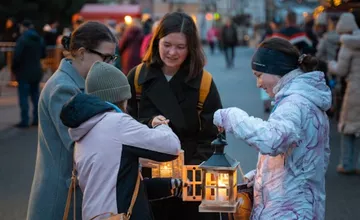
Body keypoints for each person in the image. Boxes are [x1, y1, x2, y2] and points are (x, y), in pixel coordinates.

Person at [214, 37, 331, 219]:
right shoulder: (302, 99)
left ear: (276, 70)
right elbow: (304, 159)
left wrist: (232, 117)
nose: (258, 84)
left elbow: (273, 139)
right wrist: (264, 177)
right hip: (299, 206)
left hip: (288, 211)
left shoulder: (295, 103)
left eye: (259, 75)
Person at [127, 12, 223, 220]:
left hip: (190, 178)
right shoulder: (137, 77)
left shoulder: (204, 83)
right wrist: (149, 123)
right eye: (167, 44)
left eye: (180, 47)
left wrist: (189, 172)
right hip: (147, 178)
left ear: (191, 48)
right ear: (156, 42)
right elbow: (124, 125)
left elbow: (212, 136)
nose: (172, 52)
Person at [60, 61, 182, 220]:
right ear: (121, 98)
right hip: (118, 216)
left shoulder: (84, 131)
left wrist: (169, 185)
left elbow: (117, 185)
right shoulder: (116, 123)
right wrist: (160, 124)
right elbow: (171, 147)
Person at [26, 21, 117, 220]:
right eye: (106, 58)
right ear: (82, 53)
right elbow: (83, 143)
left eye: (113, 58)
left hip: (71, 191)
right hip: (61, 195)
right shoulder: (63, 88)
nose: (110, 65)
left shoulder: (80, 83)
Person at [328, 13, 360, 174]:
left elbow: (341, 70)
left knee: (348, 128)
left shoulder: (347, 45)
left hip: (354, 90)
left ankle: (346, 164)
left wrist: (331, 64)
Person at [11, 20, 46, 128]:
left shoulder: (22, 40)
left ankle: (24, 120)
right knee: (35, 96)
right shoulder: (39, 39)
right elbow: (43, 54)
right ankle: (36, 119)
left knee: (23, 97)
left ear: (23, 27)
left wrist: (14, 69)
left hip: (24, 72)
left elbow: (17, 56)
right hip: (36, 70)